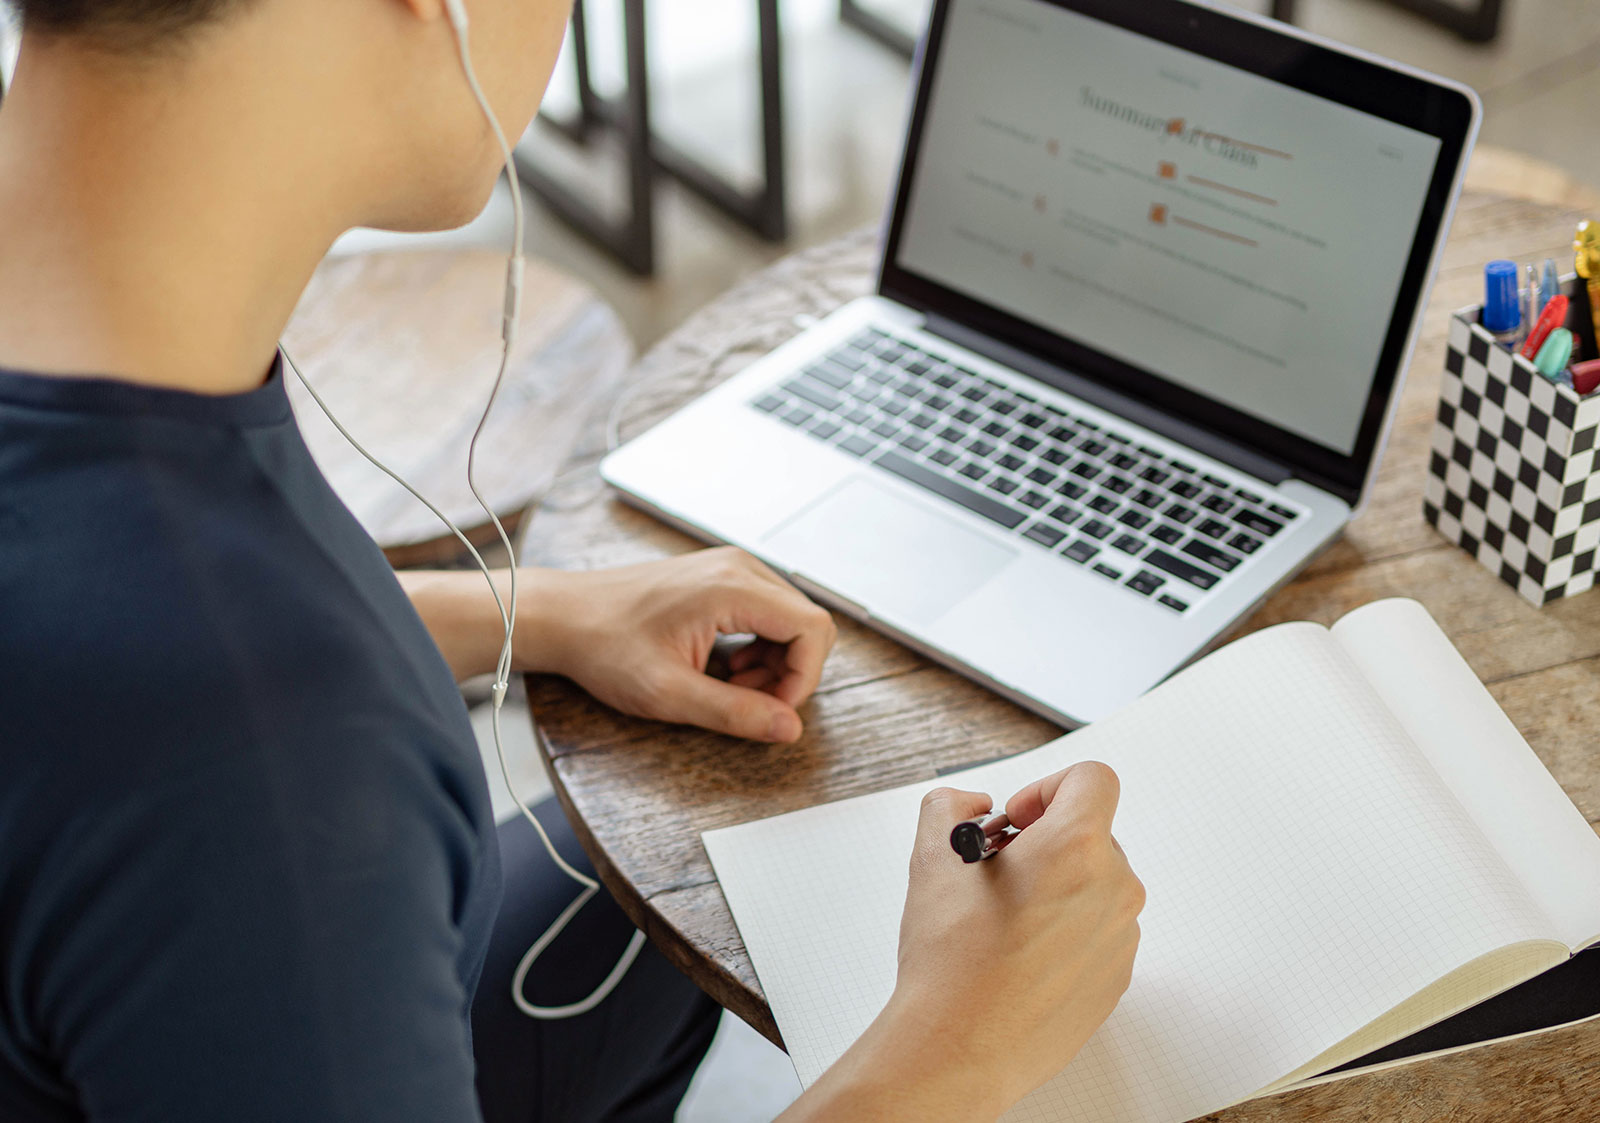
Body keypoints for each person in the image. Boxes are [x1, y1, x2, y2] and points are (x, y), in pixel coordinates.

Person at [0, 1, 1145, 1120]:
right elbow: (194, 706)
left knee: (647, 897)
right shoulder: (269, 752)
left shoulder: (109, 409)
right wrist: (953, 1052)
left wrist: (539, 611)